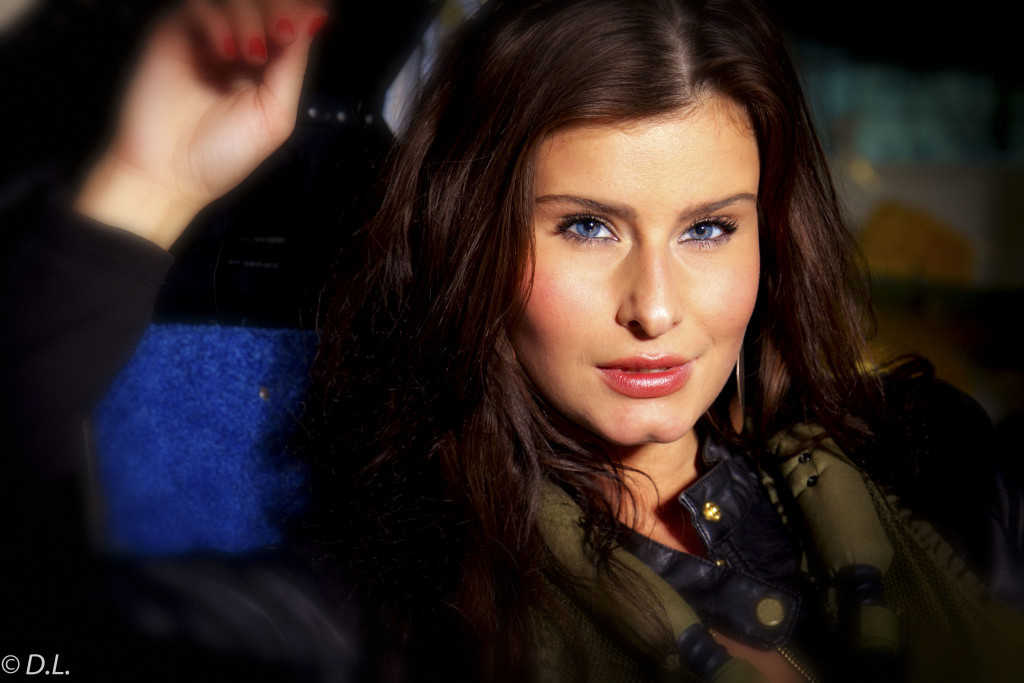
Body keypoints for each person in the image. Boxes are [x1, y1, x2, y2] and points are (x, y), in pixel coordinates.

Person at [3, 0, 1022, 681]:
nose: (655, 308)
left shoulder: (937, 463)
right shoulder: (400, 616)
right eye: (586, 227)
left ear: (772, 233)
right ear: (475, 244)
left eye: (709, 229)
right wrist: (146, 183)